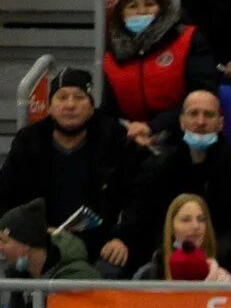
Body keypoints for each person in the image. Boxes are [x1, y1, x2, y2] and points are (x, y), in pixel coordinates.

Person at [0, 68, 146, 266]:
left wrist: (121, 238)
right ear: (49, 107)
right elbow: (5, 198)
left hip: (102, 249)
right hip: (40, 246)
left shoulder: (114, 140)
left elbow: (137, 198)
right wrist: (33, 232)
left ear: (91, 107)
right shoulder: (29, 143)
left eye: (79, 97)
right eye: (62, 97)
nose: (70, 105)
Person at [111, 91, 231, 278]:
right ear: (181, 121)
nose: (201, 121)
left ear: (221, 123)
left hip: (224, 264)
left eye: (209, 115)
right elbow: (140, 212)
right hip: (164, 260)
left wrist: (208, 260)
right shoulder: (158, 166)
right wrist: (120, 238)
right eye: (193, 114)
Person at [101, 0, 219, 137]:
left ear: (162, 7)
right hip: (131, 138)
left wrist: (153, 127)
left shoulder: (189, 40)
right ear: (121, 13)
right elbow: (110, 111)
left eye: (149, 4)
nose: (141, 11)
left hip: (183, 134)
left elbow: (202, 96)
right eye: (132, 6)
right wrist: (132, 132)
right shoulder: (112, 54)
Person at [0, 201, 97, 308]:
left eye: (4, 241)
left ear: (26, 245)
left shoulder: (75, 277)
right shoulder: (22, 274)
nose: (0, 247)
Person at [131, 192, 231, 281]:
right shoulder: (151, 273)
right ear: (172, 228)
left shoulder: (223, 274)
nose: (196, 226)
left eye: (201, 219)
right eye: (186, 220)